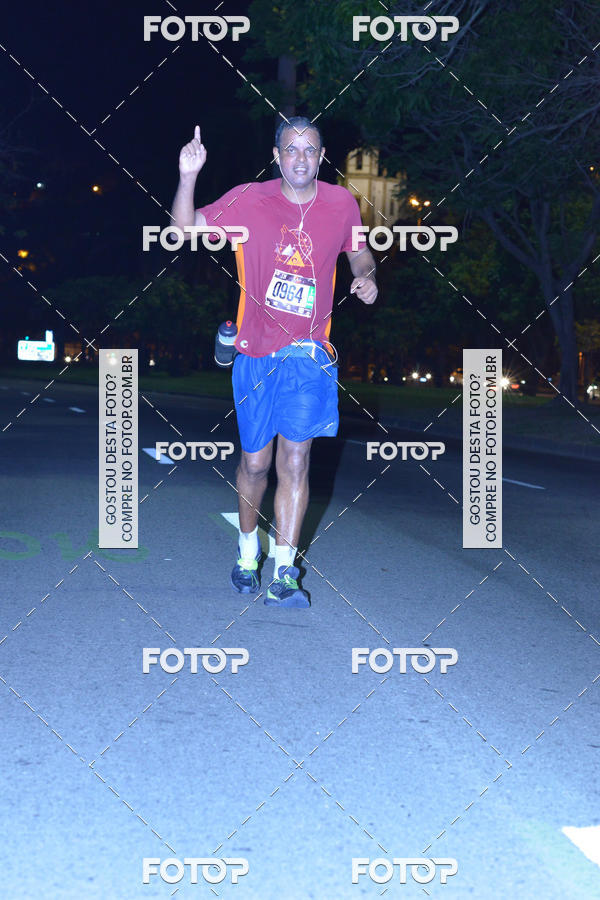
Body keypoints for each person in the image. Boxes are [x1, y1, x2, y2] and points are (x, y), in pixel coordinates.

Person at [171, 117, 377, 607]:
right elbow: (184, 229)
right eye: (291, 149)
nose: (301, 158)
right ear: (277, 154)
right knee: (256, 463)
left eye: (310, 150)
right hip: (255, 352)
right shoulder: (249, 200)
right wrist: (187, 176)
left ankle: (285, 571)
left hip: (308, 353)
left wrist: (368, 277)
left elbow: (361, 255)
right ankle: (247, 553)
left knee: (297, 459)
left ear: (321, 157)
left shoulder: (341, 204)